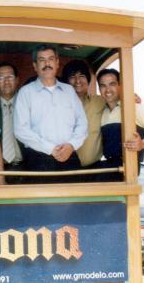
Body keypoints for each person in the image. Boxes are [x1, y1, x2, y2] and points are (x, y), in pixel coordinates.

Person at [13, 44, 88, 183]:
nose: (47, 64)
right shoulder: (26, 92)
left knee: (74, 202)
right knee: (42, 204)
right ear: (35, 66)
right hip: (38, 159)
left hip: (69, 156)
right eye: (42, 60)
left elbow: (82, 123)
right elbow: (20, 130)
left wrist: (71, 145)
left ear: (57, 63)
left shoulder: (69, 91)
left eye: (50, 59)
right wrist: (51, 149)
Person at [97, 68, 144, 172]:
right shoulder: (102, 110)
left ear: (120, 85)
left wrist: (143, 143)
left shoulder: (134, 107)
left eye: (112, 84)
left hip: (128, 167)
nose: (108, 90)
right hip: (108, 165)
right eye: (103, 86)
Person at [62, 60, 105, 168]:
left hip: (94, 167)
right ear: (66, 82)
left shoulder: (100, 102)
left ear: (88, 79)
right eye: (72, 77)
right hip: (65, 168)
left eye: (81, 76)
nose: (77, 81)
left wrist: (132, 96)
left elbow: (117, 100)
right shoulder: (57, 104)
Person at [0, 62, 25, 184]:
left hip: (25, 168)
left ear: (17, 80)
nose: (6, 81)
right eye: (1, 78)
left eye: (10, 77)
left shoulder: (27, 104)